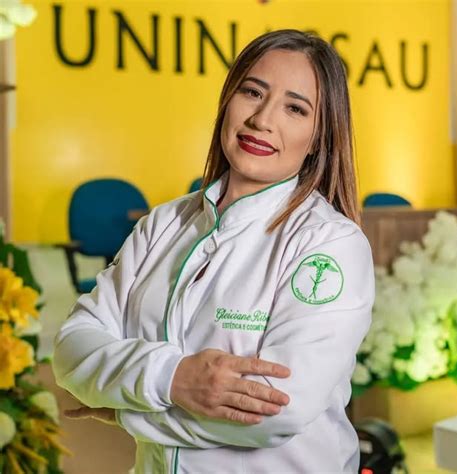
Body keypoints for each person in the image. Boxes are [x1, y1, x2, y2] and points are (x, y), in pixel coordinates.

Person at [53, 29, 375, 473]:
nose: (262, 119)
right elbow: (72, 348)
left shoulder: (329, 244)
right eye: (252, 92)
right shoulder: (163, 224)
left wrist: (128, 411)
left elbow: (277, 410)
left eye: (295, 108)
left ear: (320, 136)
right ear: (227, 100)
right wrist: (174, 378)